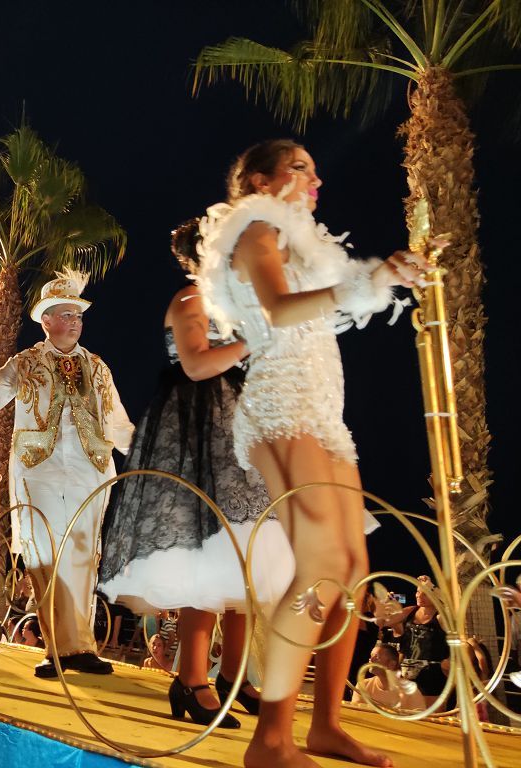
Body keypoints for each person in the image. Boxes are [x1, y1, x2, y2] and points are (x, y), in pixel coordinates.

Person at [196, 139, 423, 767]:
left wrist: (386, 275)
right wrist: (362, 286)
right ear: (259, 180)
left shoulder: (297, 238)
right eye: (301, 167)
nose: (315, 178)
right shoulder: (254, 227)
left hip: (325, 411)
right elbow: (278, 308)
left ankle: (326, 724)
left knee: (351, 567)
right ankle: (271, 737)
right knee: (321, 561)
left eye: (317, 168)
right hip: (280, 406)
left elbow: (346, 293)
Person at [99, 221, 295, 728]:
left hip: (238, 432)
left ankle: (234, 677)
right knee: (211, 556)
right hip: (198, 431)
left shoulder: (231, 306)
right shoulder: (190, 300)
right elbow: (194, 364)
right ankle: (190, 679)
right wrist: (253, 341)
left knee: (247, 555)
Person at [0, 269, 135, 678]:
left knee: (81, 555)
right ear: (46, 321)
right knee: (44, 554)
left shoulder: (98, 368)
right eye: (65, 314)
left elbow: (117, 422)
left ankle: (81, 647)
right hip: (38, 471)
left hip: (89, 471)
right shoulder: (24, 363)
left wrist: (152, 451)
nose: (74, 320)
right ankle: (55, 649)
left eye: (77, 314)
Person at [381, 576, 450, 706]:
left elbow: (449, 606)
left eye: (425, 593)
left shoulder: (441, 617)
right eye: (418, 591)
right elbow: (384, 622)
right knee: (407, 713)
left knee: (430, 718)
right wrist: (387, 603)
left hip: (431, 673)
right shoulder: (410, 611)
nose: (419, 595)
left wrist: (430, 585)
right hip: (407, 671)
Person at [351, 643, 426, 710]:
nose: (371, 660)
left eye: (376, 657)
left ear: (391, 664)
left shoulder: (411, 691)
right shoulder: (363, 685)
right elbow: (355, 712)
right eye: (371, 656)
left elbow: (419, 720)